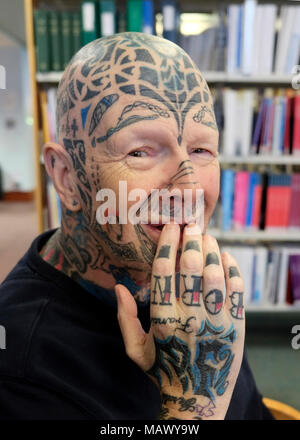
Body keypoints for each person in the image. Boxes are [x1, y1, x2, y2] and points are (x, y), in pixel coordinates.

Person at [0, 32, 273, 420]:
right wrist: (191, 405)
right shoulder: (18, 366)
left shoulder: (197, 293)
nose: (189, 187)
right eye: (141, 151)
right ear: (65, 176)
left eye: (200, 150)